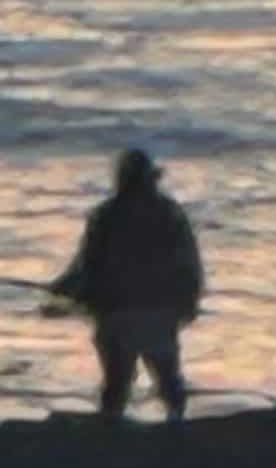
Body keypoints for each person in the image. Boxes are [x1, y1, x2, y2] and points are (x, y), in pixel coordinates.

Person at [48, 146, 202, 424]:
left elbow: (86, 266)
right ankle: (177, 425)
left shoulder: (106, 216)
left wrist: (63, 288)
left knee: (117, 382)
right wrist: (189, 302)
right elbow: (189, 264)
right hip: (158, 312)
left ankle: (112, 428)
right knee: (167, 377)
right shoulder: (170, 213)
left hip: (117, 313)